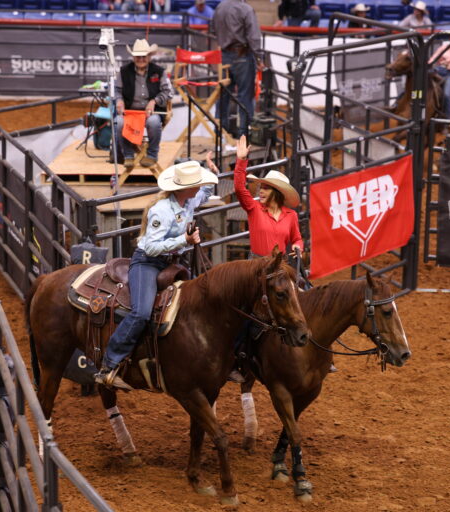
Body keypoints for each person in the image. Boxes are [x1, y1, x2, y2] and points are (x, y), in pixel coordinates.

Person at [95, 160, 218, 389]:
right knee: (141, 312)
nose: (200, 187)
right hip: (148, 262)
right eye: (197, 183)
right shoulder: (161, 211)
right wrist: (184, 240)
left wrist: (212, 171)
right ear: (184, 188)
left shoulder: (189, 199)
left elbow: (206, 194)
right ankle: (109, 364)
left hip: (172, 263)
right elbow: (151, 247)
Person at [206, 135, 304, 382]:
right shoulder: (253, 208)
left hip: (280, 268)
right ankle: (235, 359)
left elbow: (297, 238)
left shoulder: (291, 216)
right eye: (261, 187)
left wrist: (298, 247)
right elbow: (240, 188)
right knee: (245, 314)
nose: (260, 191)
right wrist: (241, 161)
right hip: (256, 267)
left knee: (304, 299)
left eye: (266, 188)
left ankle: (311, 349)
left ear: (277, 193)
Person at [113, 39, 173, 171]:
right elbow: (117, 91)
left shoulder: (159, 71)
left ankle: (152, 155)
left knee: (154, 122)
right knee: (118, 122)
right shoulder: (123, 71)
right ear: (133, 57)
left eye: (144, 56)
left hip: (151, 112)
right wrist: (119, 100)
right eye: (138, 56)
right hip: (129, 112)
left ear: (149, 56)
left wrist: (154, 101)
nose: (141, 59)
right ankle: (128, 155)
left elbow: (169, 92)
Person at [211, 0, 263, 138]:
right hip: (242, 55)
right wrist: (259, 58)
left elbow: (213, 29)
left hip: (224, 55)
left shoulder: (220, 7)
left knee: (223, 94)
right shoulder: (246, 9)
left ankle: (220, 132)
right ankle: (244, 134)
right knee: (245, 96)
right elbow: (254, 36)